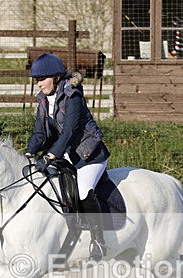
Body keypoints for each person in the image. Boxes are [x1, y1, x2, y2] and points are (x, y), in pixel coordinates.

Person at [25, 53, 110, 261]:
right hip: (67, 153)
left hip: (89, 154)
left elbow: (69, 131)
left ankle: (99, 241)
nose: (38, 85)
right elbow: (40, 132)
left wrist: (51, 155)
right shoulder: (44, 99)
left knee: (83, 191)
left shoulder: (73, 95)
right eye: (36, 80)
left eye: (41, 80)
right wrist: (29, 152)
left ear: (54, 77)